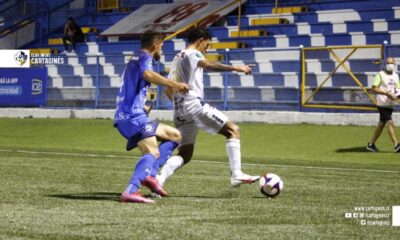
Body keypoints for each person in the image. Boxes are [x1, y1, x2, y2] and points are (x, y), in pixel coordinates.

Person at [153, 27, 260, 190]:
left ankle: (159, 179)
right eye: (207, 45)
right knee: (233, 131)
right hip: (195, 107)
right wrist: (236, 68)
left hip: (180, 112)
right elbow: (207, 64)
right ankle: (236, 174)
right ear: (200, 40)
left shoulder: (176, 57)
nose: (207, 49)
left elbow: (168, 89)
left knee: (185, 155)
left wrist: (180, 105)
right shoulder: (193, 54)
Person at [114, 30, 190, 203]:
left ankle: (151, 176)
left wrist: (142, 106)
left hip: (131, 114)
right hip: (132, 117)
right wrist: (175, 84)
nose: (161, 51)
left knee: (175, 136)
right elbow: (148, 75)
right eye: (161, 46)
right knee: (153, 152)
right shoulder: (144, 57)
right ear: (155, 45)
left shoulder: (134, 59)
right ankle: (131, 190)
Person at [367, 57, 400, 153]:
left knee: (381, 124)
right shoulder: (380, 75)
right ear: (385, 64)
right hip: (382, 103)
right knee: (389, 122)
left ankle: (371, 144)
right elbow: (374, 88)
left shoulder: (396, 76)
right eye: (388, 63)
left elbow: (397, 89)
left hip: (390, 104)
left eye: (391, 63)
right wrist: (386, 94)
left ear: (394, 64)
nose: (390, 65)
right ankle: (396, 145)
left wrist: (397, 97)